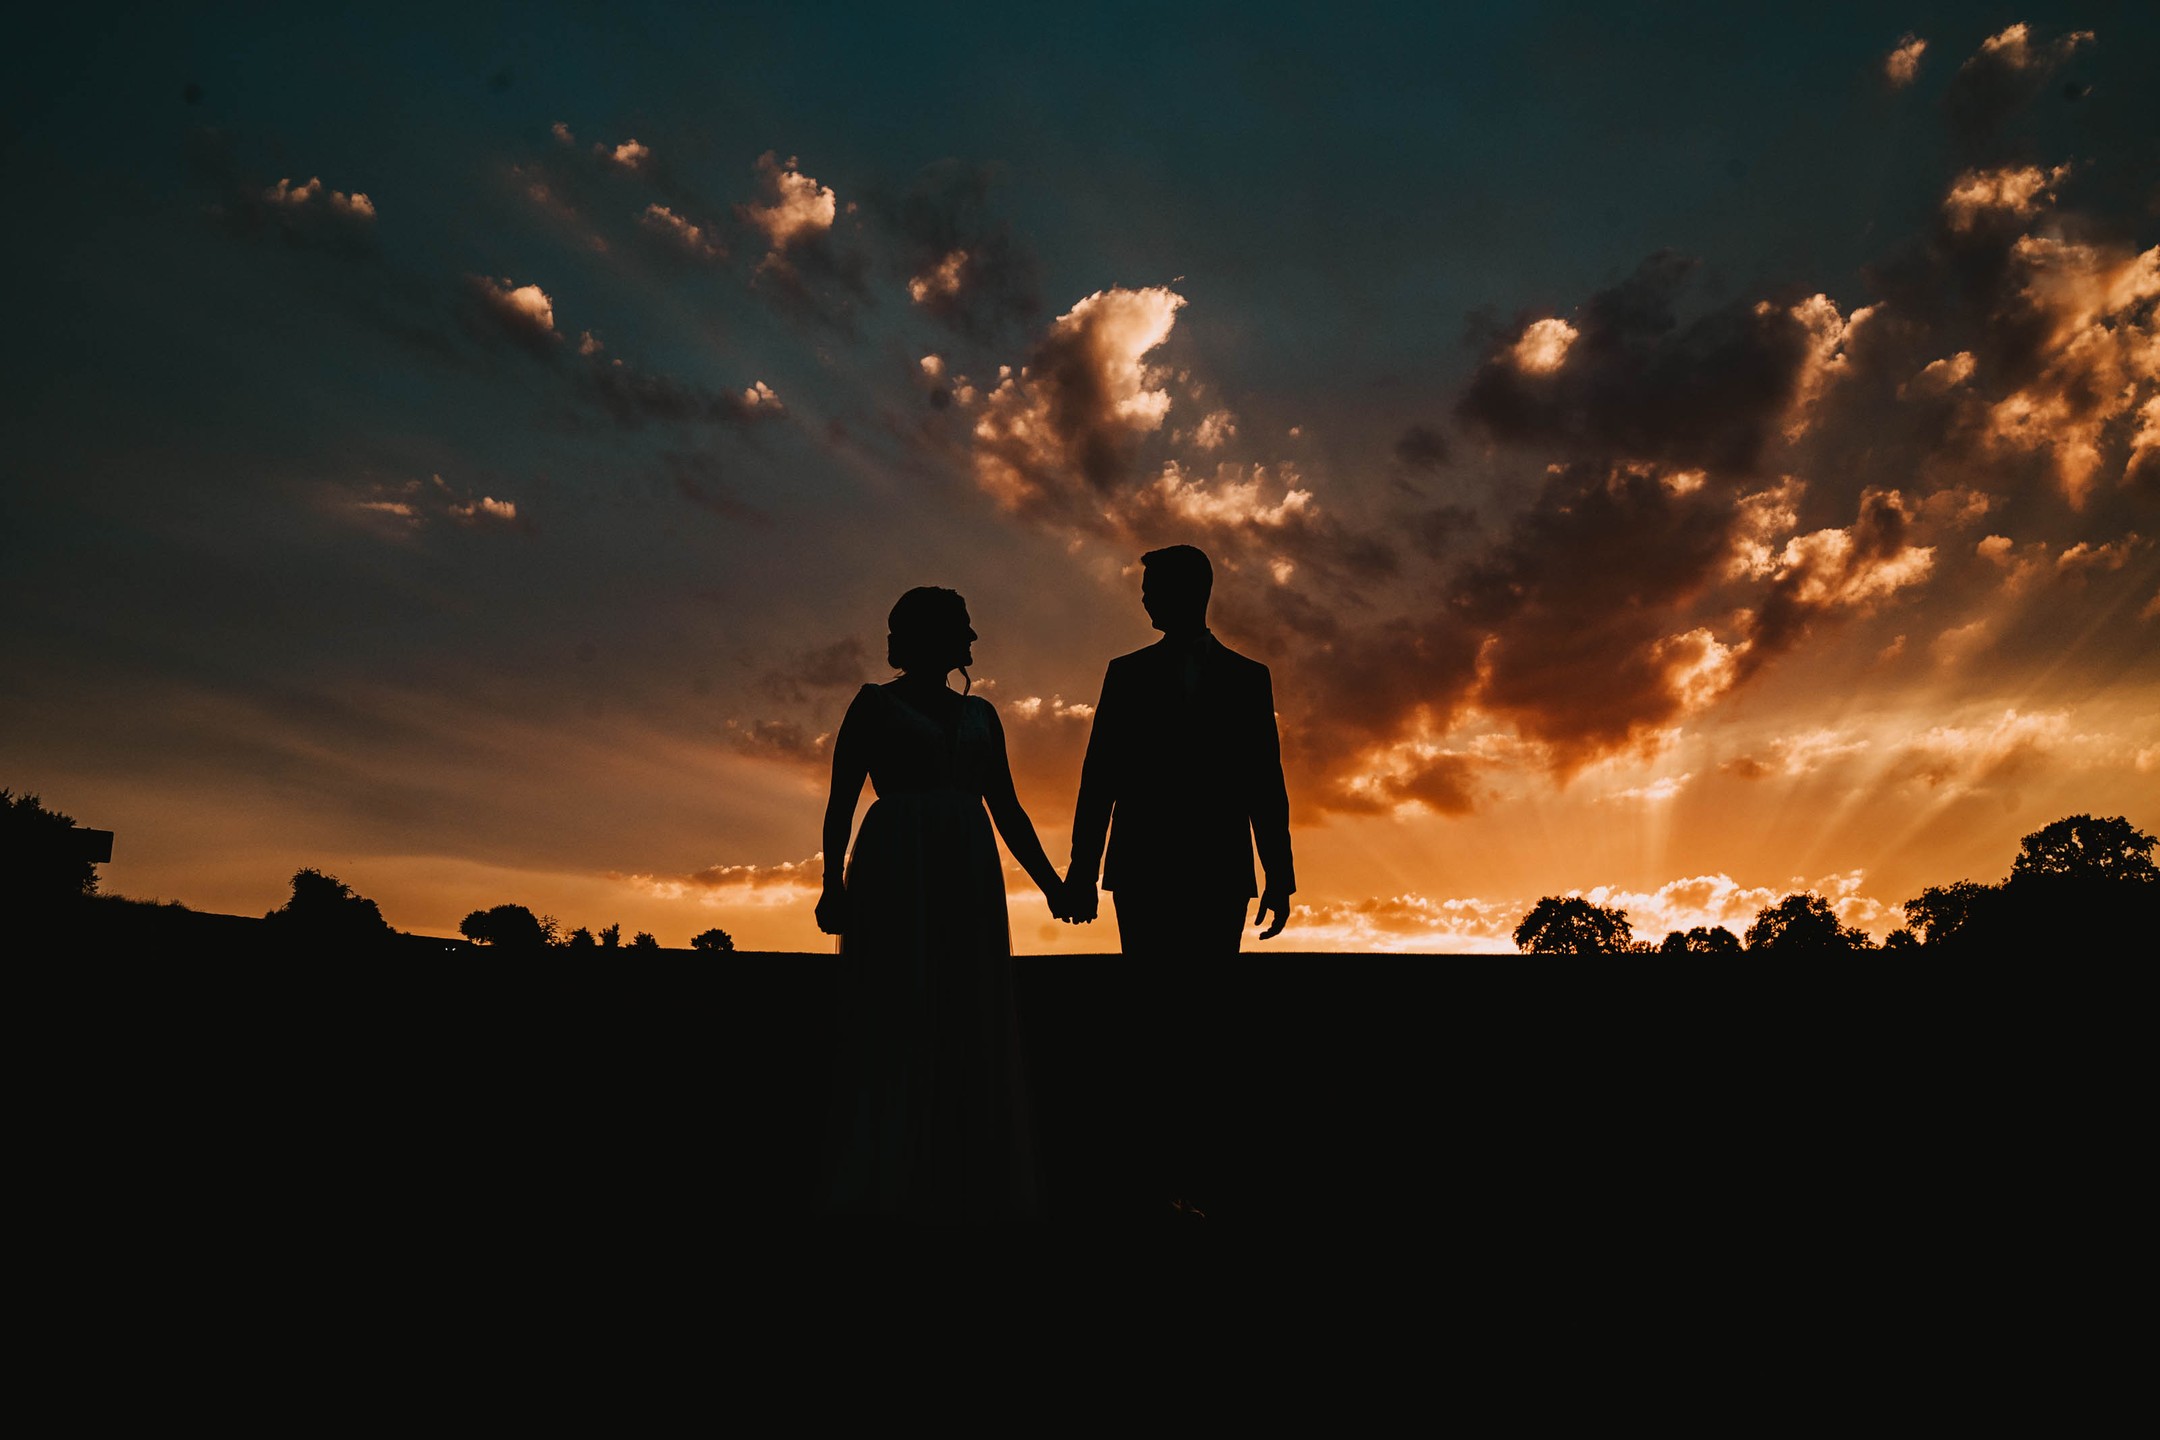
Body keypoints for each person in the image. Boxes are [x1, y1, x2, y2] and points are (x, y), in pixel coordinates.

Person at [812, 587, 1070, 1219]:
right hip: (897, 860)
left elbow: (1006, 807)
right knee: (897, 1001)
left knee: (965, 1001)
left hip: (966, 866)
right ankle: (891, 1168)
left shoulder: (984, 715)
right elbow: (842, 797)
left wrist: (1052, 884)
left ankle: (961, 1167)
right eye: (963, 628)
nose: (973, 640)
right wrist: (832, 884)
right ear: (928, 637)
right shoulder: (873, 705)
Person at [1066, 544, 1295, 1214]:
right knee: (1151, 1020)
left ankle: (1200, 1174)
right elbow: (1099, 775)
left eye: (1151, 587)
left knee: (1207, 1023)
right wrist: (1083, 870)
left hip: (1220, 873)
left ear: (1188, 590)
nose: (1142, 600)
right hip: (1143, 870)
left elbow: (1265, 782)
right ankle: (1152, 1175)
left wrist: (1278, 874)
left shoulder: (1249, 678)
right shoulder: (1125, 674)